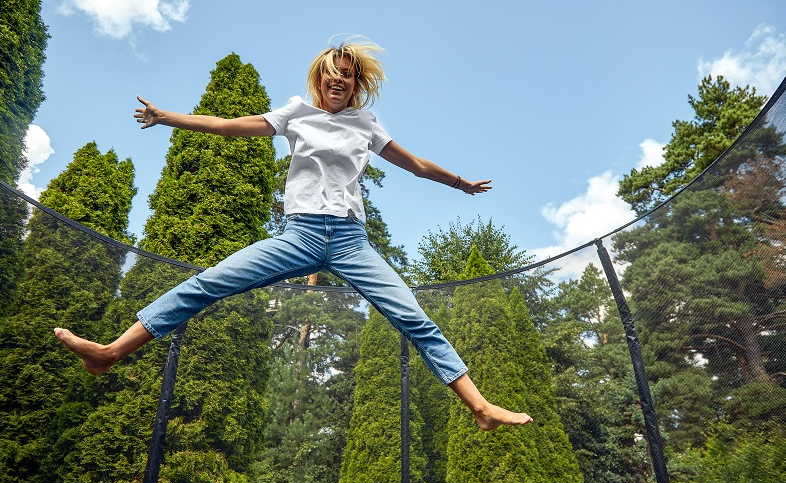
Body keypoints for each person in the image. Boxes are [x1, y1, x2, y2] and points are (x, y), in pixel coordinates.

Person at [55, 39, 533, 431]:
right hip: (298, 234)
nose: (339, 79)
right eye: (332, 73)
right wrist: (167, 117)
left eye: (348, 74)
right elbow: (226, 127)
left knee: (413, 317)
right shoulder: (295, 113)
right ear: (320, 79)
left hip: (350, 240)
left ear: (356, 84)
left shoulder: (365, 124)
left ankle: (480, 407)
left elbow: (416, 165)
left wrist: (460, 183)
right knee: (208, 283)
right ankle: (111, 352)